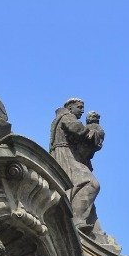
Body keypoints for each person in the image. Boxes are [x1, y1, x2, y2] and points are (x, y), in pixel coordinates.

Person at [48, 98, 100, 232]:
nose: (82, 110)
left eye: (83, 107)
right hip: (65, 156)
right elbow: (77, 129)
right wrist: (93, 129)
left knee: (75, 186)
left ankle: (76, 217)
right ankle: (77, 220)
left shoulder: (63, 117)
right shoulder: (66, 117)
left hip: (68, 155)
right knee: (90, 183)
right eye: (79, 107)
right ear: (70, 107)